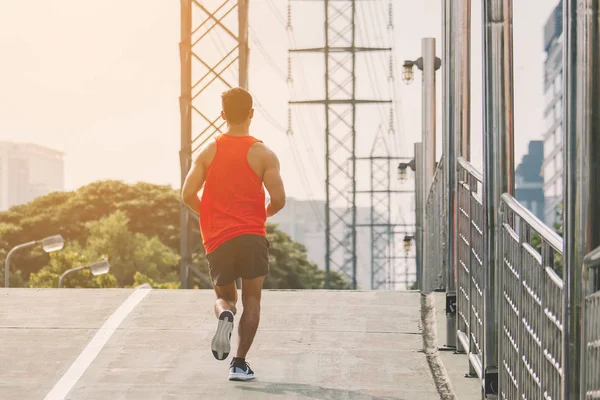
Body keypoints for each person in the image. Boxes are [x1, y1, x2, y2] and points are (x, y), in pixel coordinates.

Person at [181, 87, 286, 381]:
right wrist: (257, 217)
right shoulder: (264, 154)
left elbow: (188, 194)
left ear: (223, 115)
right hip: (252, 235)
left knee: (226, 298)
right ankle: (239, 363)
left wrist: (213, 217)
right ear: (252, 113)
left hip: (218, 237)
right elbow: (278, 200)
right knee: (253, 301)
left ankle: (224, 314)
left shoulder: (208, 151)